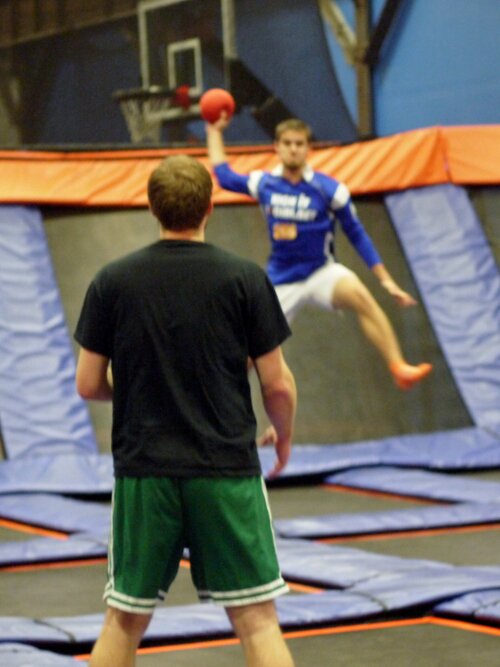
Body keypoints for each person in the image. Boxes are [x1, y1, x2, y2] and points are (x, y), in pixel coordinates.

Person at [74, 155, 297, 667]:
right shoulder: (244, 278)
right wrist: (282, 437)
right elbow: (278, 384)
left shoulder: (113, 280)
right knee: (258, 622)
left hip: (145, 471)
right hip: (225, 470)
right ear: (211, 207)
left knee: (124, 621)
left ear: (152, 207)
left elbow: (88, 384)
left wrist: (127, 393)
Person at [206, 116, 432, 390]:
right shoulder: (264, 183)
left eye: (299, 144)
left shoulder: (329, 190)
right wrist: (213, 130)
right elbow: (224, 176)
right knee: (251, 352)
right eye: (287, 143)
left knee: (361, 296)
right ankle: (219, 401)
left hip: (321, 272)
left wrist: (386, 280)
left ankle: (399, 367)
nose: (293, 149)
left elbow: (357, 234)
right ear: (276, 146)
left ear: (308, 148)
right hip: (281, 279)